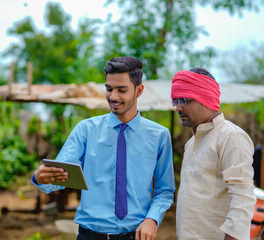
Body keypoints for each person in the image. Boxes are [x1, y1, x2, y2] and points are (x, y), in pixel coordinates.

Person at [32, 56, 175, 240]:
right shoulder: (85, 130)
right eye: (108, 89)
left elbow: (165, 190)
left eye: (121, 90)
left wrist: (152, 219)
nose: (113, 97)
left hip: (136, 236)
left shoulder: (159, 136)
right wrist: (41, 177)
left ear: (139, 90)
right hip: (90, 235)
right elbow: (60, 174)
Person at [171, 68, 256, 240]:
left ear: (206, 98)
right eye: (175, 100)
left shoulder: (231, 137)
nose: (178, 107)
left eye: (185, 100)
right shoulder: (191, 143)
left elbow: (243, 196)